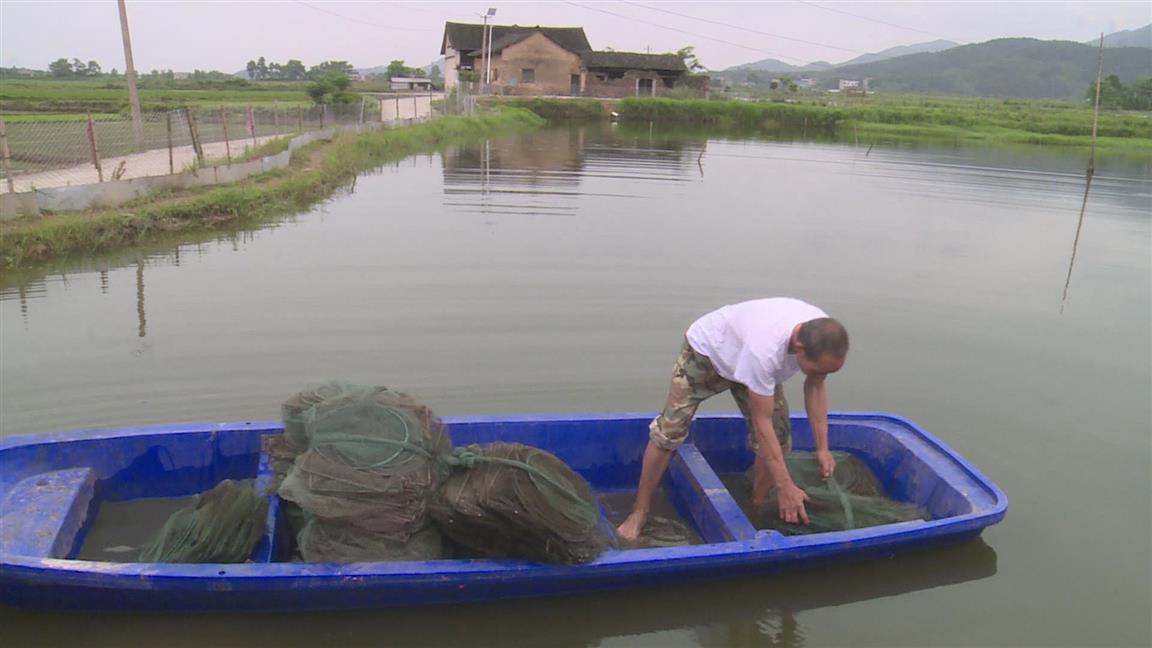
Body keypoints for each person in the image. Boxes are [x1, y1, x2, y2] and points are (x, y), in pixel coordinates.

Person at [616, 297, 849, 542]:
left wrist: (823, 448)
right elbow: (762, 425)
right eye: (815, 369)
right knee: (669, 433)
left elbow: (815, 385)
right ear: (799, 347)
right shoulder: (765, 351)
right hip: (707, 353)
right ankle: (639, 512)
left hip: (750, 359)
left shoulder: (822, 332)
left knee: (780, 438)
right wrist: (785, 486)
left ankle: (756, 506)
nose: (819, 376)